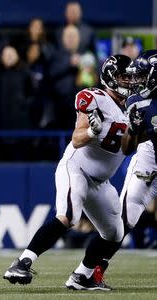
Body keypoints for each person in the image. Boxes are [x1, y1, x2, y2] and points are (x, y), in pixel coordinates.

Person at [3, 54, 135, 290]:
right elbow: (76, 139)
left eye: (130, 77)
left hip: (102, 182)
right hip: (77, 167)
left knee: (115, 233)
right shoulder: (94, 98)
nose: (128, 82)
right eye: (124, 77)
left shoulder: (134, 107)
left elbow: (130, 146)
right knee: (69, 216)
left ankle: (82, 276)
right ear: (110, 77)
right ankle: (22, 262)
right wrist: (93, 133)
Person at [85, 50, 157, 288]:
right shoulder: (137, 103)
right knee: (126, 216)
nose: (137, 81)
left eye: (143, 75)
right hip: (150, 154)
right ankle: (89, 271)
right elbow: (127, 148)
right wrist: (135, 130)